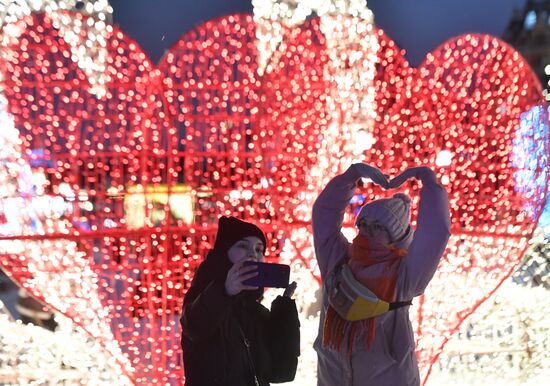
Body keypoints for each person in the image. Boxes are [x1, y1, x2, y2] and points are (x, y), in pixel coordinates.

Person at [312, 163, 451, 386]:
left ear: (394, 236)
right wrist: (351, 176)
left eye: (377, 227)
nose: (366, 231)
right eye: (363, 224)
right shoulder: (338, 260)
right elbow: (323, 216)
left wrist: (431, 184)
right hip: (333, 378)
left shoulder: (405, 275)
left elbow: (435, 234)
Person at [181, 216, 300, 386]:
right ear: (224, 253)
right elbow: (194, 326)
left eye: (259, 250)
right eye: (243, 246)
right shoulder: (202, 296)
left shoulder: (257, 312)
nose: (253, 254)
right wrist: (225, 290)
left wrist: (284, 314)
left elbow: (281, 372)